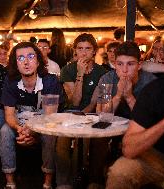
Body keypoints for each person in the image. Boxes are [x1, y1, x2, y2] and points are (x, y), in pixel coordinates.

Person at [106, 25, 164, 189]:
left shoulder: (147, 80)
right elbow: (129, 148)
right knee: (121, 172)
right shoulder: (154, 91)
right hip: (157, 157)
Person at [87, 41, 156, 189]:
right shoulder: (107, 79)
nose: (124, 70)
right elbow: (102, 115)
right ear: (114, 64)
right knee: (98, 138)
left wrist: (129, 96)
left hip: (139, 129)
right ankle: (96, 181)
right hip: (112, 127)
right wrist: (118, 95)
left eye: (130, 64)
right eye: (120, 64)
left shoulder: (150, 82)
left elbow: (151, 121)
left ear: (139, 65)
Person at [0, 42, 64, 189]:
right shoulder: (11, 81)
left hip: (44, 119)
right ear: (16, 64)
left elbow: (50, 116)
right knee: (5, 130)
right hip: (21, 119)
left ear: (38, 60)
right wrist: (20, 129)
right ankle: (10, 182)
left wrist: (33, 131)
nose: (26, 62)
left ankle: (48, 182)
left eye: (30, 56)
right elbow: (9, 115)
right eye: (21, 58)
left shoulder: (50, 80)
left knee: (49, 133)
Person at [57, 33, 107, 189]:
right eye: (80, 48)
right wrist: (80, 73)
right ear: (75, 51)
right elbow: (75, 101)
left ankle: (81, 179)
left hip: (90, 114)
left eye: (88, 48)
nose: (84, 52)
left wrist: (82, 116)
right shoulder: (67, 70)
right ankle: (63, 183)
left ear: (94, 51)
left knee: (83, 140)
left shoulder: (102, 72)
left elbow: (93, 103)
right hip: (69, 113)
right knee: (62, 142)